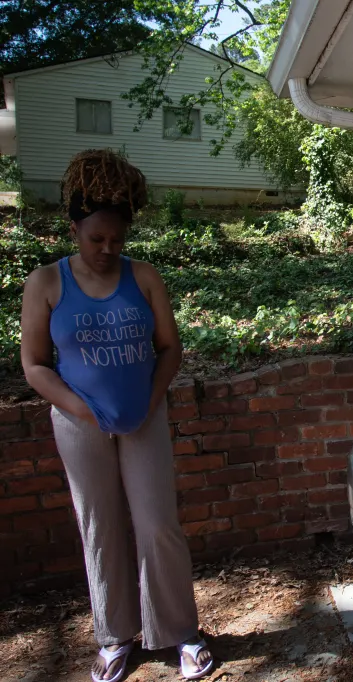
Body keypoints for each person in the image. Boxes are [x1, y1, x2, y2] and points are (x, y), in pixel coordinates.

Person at [20, 149, 214, 682]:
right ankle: (113, 637)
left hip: (143, 418)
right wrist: (81, 409)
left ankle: (181, 633)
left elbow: (170, 348)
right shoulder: (46, 283)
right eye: (95, 239)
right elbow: (34, 365)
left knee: (158, 526)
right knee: (99, 528)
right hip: (80, 425)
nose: (107, 250)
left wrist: (152, 399)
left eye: (116, 240)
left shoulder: (144, 277)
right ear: (74, 228)